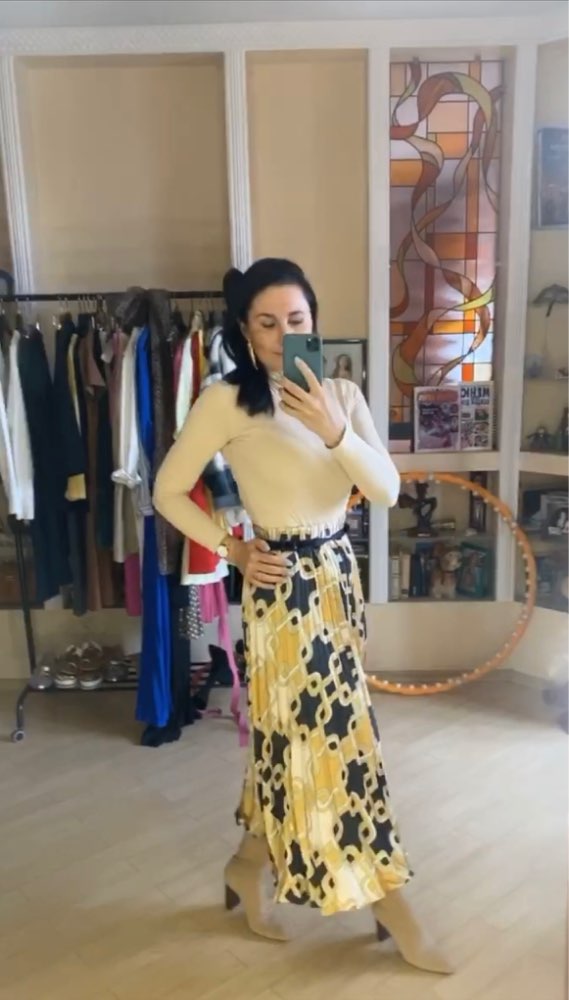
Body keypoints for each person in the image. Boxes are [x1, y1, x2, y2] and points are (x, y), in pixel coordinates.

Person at [154, 258, 450, 975]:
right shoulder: (226, 401)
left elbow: (385, 491)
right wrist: (231, 548)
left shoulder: (341, 394)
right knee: (334, 748)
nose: (282, 333)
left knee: (293, 744)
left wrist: (334, 429)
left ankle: (245, 864)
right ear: (244, 330)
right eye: (266, 322)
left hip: (337, 580)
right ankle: (390, 903)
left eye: (296, 320)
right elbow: (166, 490)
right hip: (279, 588)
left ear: (313, 322)